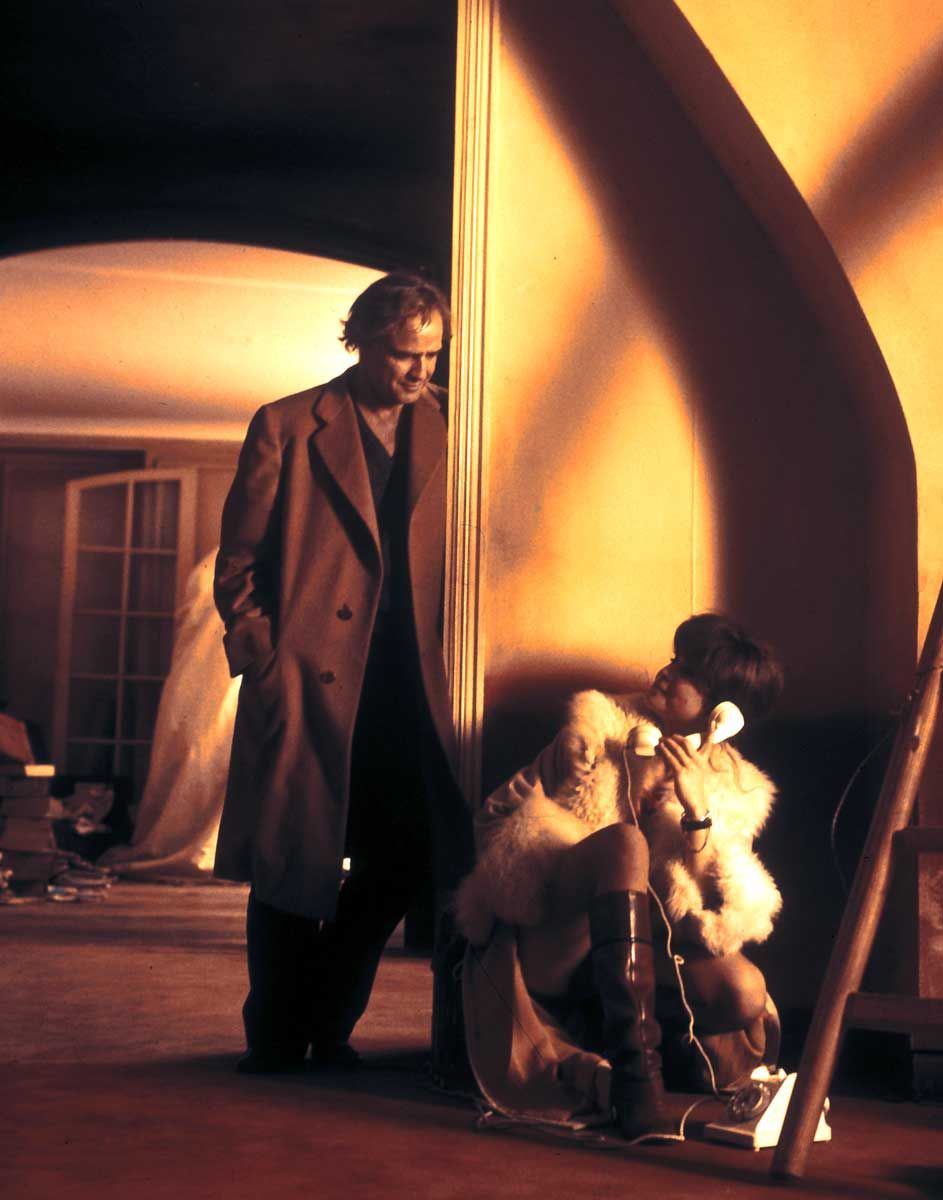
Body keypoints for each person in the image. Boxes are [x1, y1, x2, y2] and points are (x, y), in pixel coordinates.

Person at [213, 272, 473, 1073]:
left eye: (431, 355)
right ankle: (273, 1038)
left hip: (411, 684)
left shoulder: (458, 425)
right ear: (359, 343)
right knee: (292, 860)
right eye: (402, 354)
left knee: (405, 854)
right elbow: (239, 561)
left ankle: (325, 1020)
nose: (419, 371)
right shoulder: (288, 423)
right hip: (308, 676)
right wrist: (262, 655)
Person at [455, 613, 784, 1139]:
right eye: (673, 658)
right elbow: (491, 821)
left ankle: (631, 1047)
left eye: (687, 671)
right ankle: (638, 1084)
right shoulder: (598, 729)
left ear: (723, 713)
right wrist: (560, 784)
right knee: (626, 844)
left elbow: (713, 911)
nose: (665, 672)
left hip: (648, 955)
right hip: (556, 939)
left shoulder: (740, 791)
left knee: (745, 991)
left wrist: (697, 811)